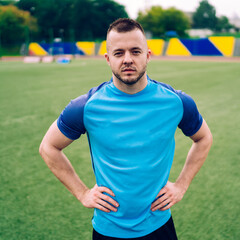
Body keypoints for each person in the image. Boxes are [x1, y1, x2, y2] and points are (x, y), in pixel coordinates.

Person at [39, 18, 213, 240]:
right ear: (108, 58)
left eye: (135, 51)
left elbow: (204, 138)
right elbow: (48, 147)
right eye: (119, 53)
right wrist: (83, 193)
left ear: (148, 55)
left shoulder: (176, 102)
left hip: (158, 225)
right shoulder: (86, 107)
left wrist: (181, 185)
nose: (128, 59)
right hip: (108, 229)